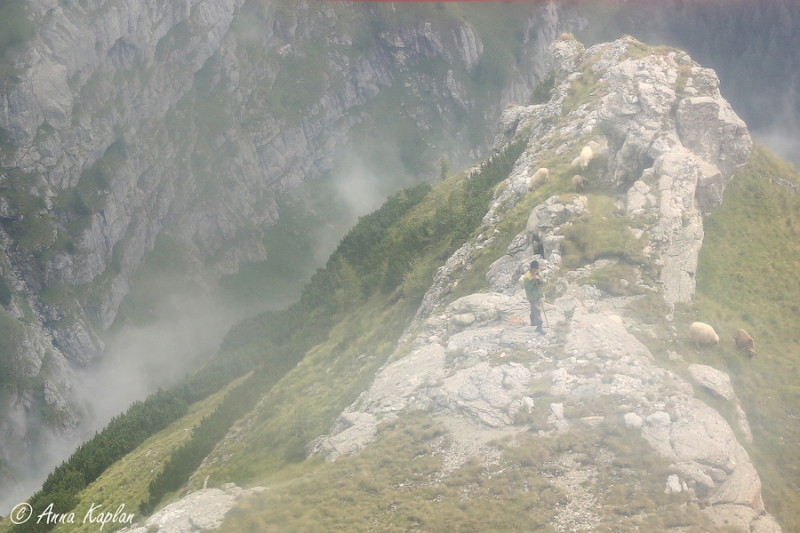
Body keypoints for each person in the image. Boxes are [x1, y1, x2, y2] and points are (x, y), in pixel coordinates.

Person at [523, 260, 545, 334]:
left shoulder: (538, 272)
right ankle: (539, 326)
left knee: (534, 308)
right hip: (532, 295)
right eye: (533, 268)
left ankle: (533, 321)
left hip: (537, 294)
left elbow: (543, 282)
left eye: (535, 268)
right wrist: (533, 281)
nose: (534, 270)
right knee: (537, 309)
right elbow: (527, 287)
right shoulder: (528, 275)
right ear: (531, 268)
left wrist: (539, 279)